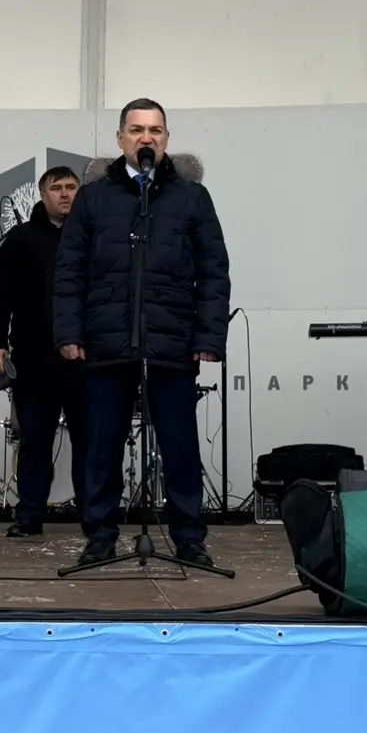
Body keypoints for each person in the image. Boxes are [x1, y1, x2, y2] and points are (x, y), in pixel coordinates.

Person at [53, 98, 230, 567]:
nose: (146, 138)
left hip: (172, 341)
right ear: (120, 139)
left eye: (155, 130)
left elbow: (214, 271)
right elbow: (69, 271)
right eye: (136, 130)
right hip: (107, 341)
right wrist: (69, 331)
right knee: (101, 446)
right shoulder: (94, 198)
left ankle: (189, 538)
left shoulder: (192, 197)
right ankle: (100, 537)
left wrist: (209, 337)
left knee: (180, 445)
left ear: (166, 139)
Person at [0, 165, 88, 537]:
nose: (65, 193)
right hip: (34, 359)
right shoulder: (21, 239)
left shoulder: (94, 236)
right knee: (35, 442)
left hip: (86, 360)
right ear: (43, 194)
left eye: (71, 186)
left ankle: (93, 517)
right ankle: (29, 515)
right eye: (56, 187)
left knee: (90, 443)